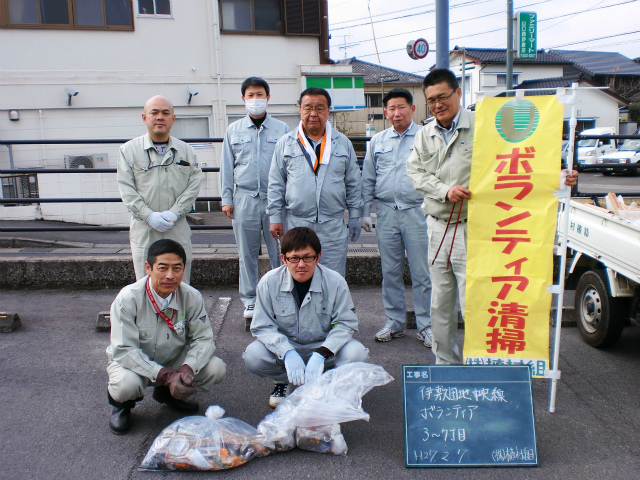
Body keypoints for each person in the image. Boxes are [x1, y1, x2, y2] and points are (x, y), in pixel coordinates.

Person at [406, 68, 578, 365]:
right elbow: (416, 173)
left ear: (458, 93)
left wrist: (557, 177)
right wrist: (445, 190)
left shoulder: (484, 125)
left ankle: (479, 364)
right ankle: (446, 364)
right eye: (431, 100)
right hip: (436, 228)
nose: (437, 105)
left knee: (473, 302)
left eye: (443, 97)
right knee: (440, 304)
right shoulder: (425, 134)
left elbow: (518, 162)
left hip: (474, 229)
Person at [106, 239, 226, 434]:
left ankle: (168, 395)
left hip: (173, 358)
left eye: (177, 268)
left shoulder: (191, 296)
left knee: (215, 368)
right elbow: (124, 350)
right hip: (135, 361)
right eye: (162, 268)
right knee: (125, 385)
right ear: (148, 267)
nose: (170, 276)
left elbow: (204, 339)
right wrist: (166, 375)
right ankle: (122, 405)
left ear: (183, 269)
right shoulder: (128, 299)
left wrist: (186, 368)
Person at [243, 227, 369, 408]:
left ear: (318, 257)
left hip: (324, 350)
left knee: (357, 354)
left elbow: (345, 324)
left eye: (307, 257)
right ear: (284, 259)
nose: (301, 264)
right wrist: (287, 352)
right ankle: (284, 381)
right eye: (294, 258)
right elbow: (263, 327)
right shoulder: (269, 283)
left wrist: (322, 354)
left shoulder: (335, 282)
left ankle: (325, 382)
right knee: (253, 356)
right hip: (287, 349)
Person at [361, 88, 433, 347]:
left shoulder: (426, 138)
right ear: (385, 112)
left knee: (422, 272)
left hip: (418, 211)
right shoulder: (378, 141)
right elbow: (368, 178)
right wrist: (365, 212)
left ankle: (427, 325)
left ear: (413, 109)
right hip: (387, 211)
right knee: (389, 271)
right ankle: (394, 322)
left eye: (401, 107)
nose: (396, 113)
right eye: (391, 108)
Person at [267, 87, 363, 277]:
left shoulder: (342, 143)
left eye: (320, 108)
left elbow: (353, 182)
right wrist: (275, 217)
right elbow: (276, 183)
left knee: (333, 278)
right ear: (300, 110)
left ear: (328, 110)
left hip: (333, 224)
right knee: (298, 276)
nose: (313, 114)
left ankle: (332, 308)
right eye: (308, 108)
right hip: (296, 223)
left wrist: (355, 215)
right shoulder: (285, 143)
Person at [220, 77, 291, 320]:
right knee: (247, 254)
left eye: (259, 94)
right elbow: (226, 167)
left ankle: (281, 296)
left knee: (280, 253)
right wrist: (226, 198)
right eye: (250, 95)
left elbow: (289, 167)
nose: (255, 99)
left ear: (268, 97)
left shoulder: (282, 129)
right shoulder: (233, 130)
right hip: (245, 199)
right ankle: (249, 300)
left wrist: (285, 201)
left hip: (274, 201)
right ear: (243, 99)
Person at [118, 95, 201, 284]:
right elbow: (127, 189)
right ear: (144, 117)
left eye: (165, 113)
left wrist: (175, 213)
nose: (160, 117)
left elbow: (193, 185)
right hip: (145, 229)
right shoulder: (128, 151)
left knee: (179, 283)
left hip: (177, 227)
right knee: (146, 285)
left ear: (173, 118)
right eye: (154, 112)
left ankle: (179, 315)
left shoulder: (186, 151)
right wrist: (148, 215)